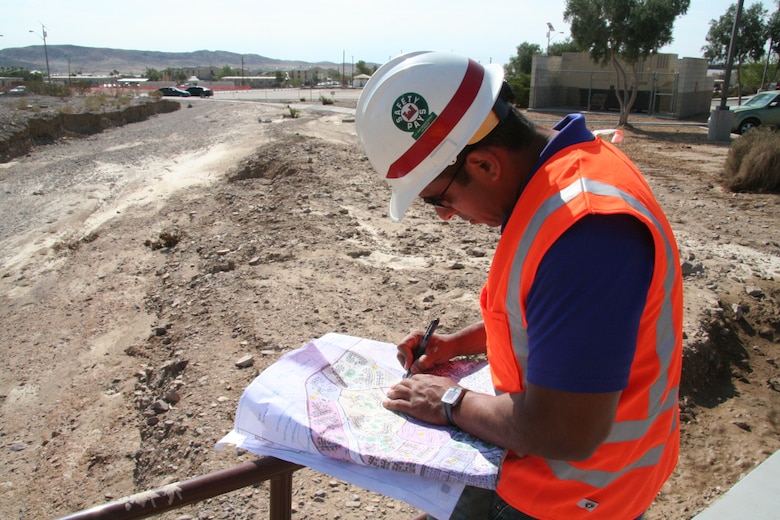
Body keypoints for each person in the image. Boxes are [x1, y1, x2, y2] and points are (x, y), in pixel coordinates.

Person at [354, 51, 683, 520]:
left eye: (439, 198)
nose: (446, 216)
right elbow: (549, 325)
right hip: (536, 467)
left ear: (486, 165)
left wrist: (448, 400)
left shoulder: (585, 230)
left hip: (579, 496)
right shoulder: (562, 182)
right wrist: (455, 344)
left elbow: (565, 431)